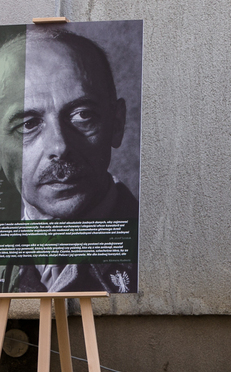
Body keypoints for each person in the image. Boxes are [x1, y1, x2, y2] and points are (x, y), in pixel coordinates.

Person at [0, 26, 138, 293]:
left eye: (83, 115)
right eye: (28, 124)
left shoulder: (160, 248)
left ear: (117, 124)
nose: (60, 146)